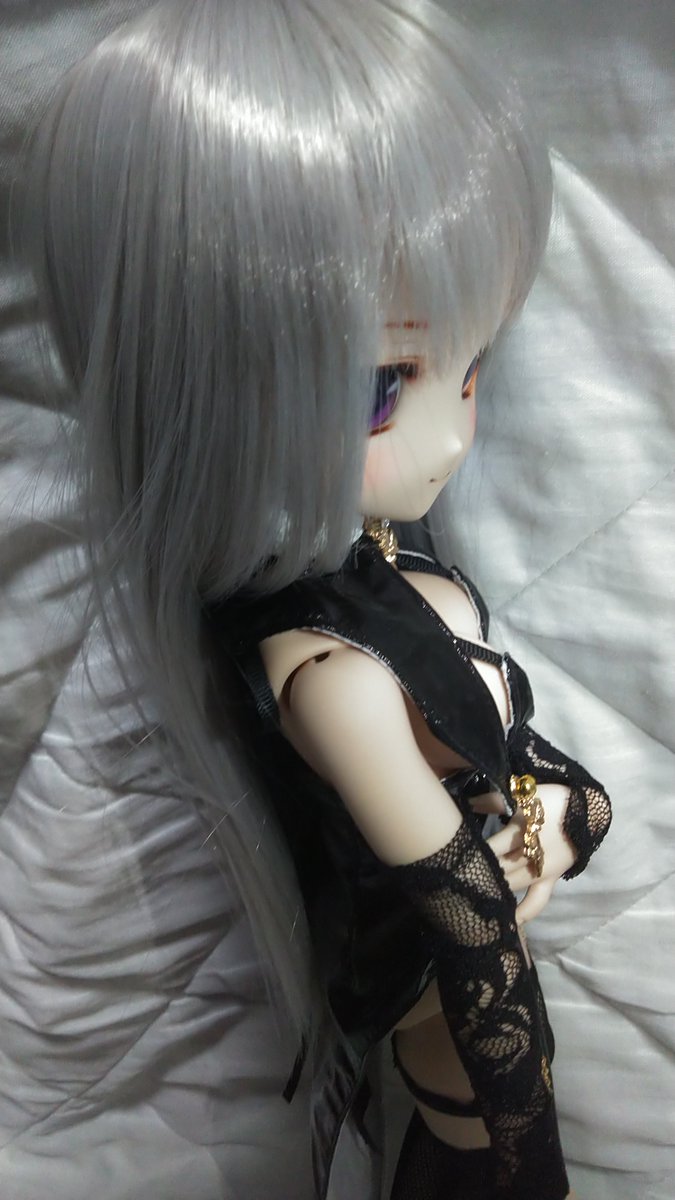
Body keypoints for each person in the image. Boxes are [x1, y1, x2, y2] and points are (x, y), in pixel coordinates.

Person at [23, 1, 611, 1196]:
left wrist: (550, 817)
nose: (453, 436)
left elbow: (547, 799)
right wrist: (533, 1153)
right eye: (383, 386)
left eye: (473, 366)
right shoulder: (333, 678)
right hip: (476, 1078)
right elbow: (471, 935)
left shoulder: (391, 558)